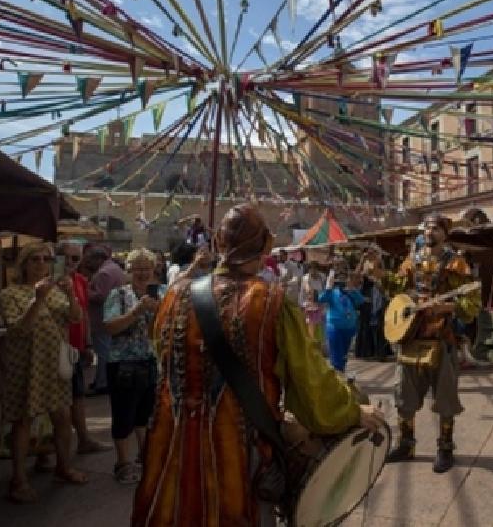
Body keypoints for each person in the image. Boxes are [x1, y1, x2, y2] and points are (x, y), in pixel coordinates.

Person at [131, 204, 383, 526]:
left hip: (171, 449)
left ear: (219, 244)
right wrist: (352, 410)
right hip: (237, 450)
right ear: (265, 247)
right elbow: (309, 383)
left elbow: (163, 359)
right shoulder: (271, 302)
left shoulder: (173, 297)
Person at [384, 214, 481, 473]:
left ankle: (445, 448)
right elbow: (395, 291)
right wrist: (378, 273)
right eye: (427, 226)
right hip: (410, 338)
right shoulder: (411, 260)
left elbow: (472, 305)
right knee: (403, 396)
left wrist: (447, 305)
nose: (429, 230)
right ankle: (406, 444)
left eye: (435, 227)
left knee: (445, 398)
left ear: (445, 233)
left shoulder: (457, 264)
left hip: (441, 340)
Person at [0, 242, 87, 504]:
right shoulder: (10, 294)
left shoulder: (58, 291)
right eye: (34, 260)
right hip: (26, 364)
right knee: (23, 420)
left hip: (56, 362)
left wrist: (71, 295)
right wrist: (37, 299)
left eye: (46, 260)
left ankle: (63, 466)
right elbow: (18, 329)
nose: (41, 264)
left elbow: (75, 318)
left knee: (62, 415)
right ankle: (18, 479)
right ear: (23, 265)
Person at [102, 248, 162, 484]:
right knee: (123, 415)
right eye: (137, 268)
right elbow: (110, 327)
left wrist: (158, 314)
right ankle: (123, 463)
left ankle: (144, 457)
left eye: (147, 268)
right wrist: (137, 311)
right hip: (123, 363)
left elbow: (161, 331)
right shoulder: (118, 295)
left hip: (149, 361)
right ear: (129, 270)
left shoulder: (159, 293)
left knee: (145, 416)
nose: (143, 272)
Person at [58, 242, 109, 456]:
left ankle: (83, 439)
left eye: (75, 259)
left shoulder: (79, 280)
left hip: (75, 347)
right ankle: (50, 449)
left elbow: (85, 313)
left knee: (77, 394)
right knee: (60, 399)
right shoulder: (50, 284)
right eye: (65, 257)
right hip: (58, 348)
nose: (70, 262)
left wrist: (87, 344)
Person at [83, 245, 125, 394]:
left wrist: (84, 291)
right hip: (111, 316)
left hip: (101, 318)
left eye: (90, 260)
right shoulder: (115, 268)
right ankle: (102, 380)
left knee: (102, 353)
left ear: (98, 259)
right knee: (105, 351)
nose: (87, 264)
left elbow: (101, 296)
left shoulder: (104, 273)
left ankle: (102, 382)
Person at [318, 264, 364, 373]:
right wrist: (328, 287)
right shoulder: (332, 292)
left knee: (343, 354)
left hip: (349, 328)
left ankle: (341, 373)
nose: (342, 280)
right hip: (334, 327)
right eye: (340, 278)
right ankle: (337, 375)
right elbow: (321, 298)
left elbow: (361, 301)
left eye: (345, 278)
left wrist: (352, 289)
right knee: (336, 354)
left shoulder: (351, 292)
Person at [299, 261, 326, 346]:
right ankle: (311, 347)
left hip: (321, 307)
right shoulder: (305, 278)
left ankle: (319, 347)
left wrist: (324, 305)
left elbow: (325, 291)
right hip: (309, 307)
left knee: (320, 330)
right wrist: (303, 305)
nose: (313, 271)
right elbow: (303, 293)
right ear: (309, 269)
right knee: (310, 330)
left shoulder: (322, 277)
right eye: (311, 268)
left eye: (315, 268)